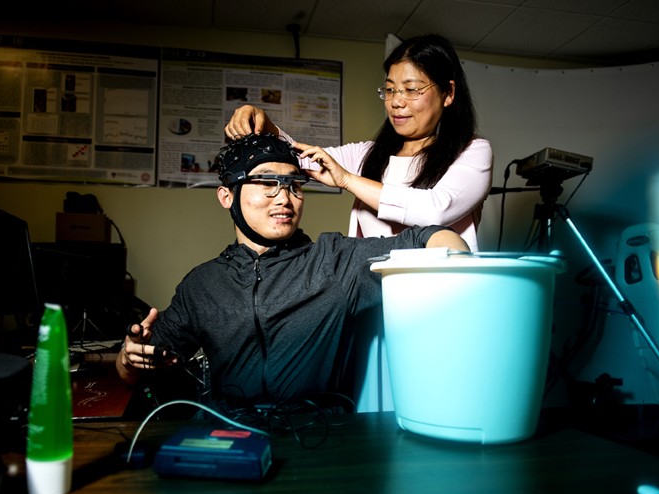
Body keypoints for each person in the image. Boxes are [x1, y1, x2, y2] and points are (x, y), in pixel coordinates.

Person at [116, 133, 468, 412]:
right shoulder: (203, 285)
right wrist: (128, 358)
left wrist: (457, 266)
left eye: (294, 185)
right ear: (227, 196)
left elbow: (431, 238)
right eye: (268, 184)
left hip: (320, 440)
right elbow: (136, 367)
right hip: (230, 437)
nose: (284, 198)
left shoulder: (334, 262)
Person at [224, 33, 493, 251]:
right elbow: (299, 158)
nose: (396, 102)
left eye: (411, 90)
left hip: (446, 292)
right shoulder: (368, 154)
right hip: (374, 293)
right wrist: (264, 123)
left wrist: (347, 180)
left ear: (448, 93)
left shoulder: (472, 151)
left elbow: (436, 211)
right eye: (389, 89)